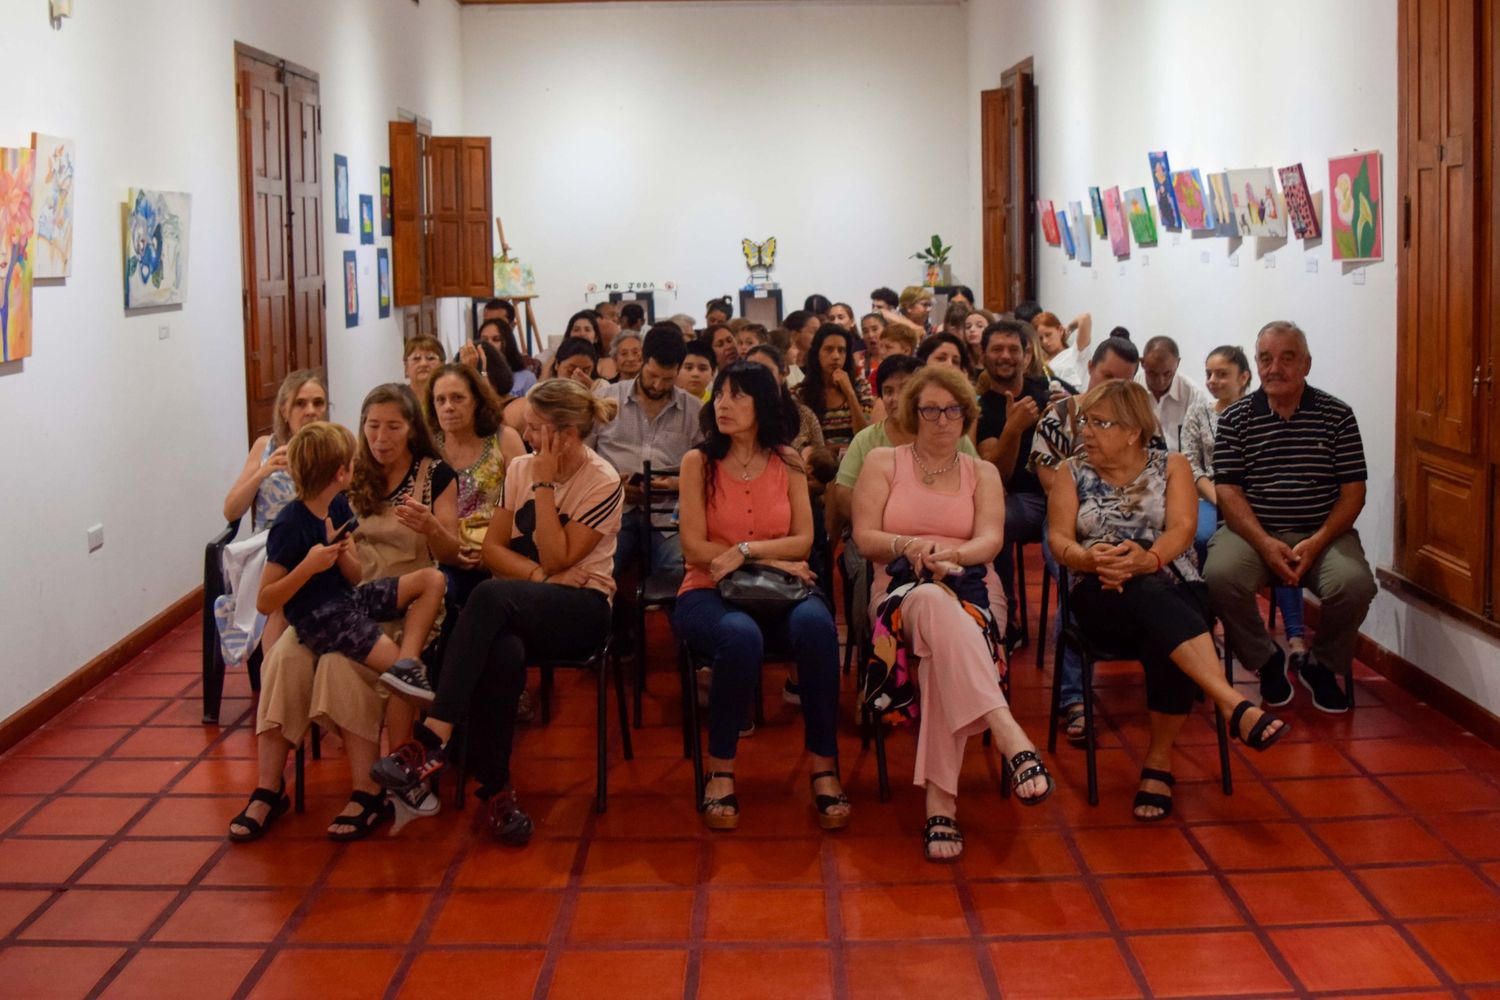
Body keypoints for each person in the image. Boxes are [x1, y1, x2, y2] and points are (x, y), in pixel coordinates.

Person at [370, 379, 626, 844]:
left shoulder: (602, 480)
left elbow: (557, 556)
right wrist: (540, 580)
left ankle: (432, 739)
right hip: (531, 600)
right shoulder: (520, 469)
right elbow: (491, 549)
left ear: (566, 435)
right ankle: (496, 790)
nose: (527, 438)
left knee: (486, 598)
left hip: (584, 609)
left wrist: (545, 487)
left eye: (536, 429)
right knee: (502, 650)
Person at [1048, 380, 1288, 820]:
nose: (1086, 432)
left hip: (1171, 577)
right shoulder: (1071, 471)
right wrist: (1086, 556)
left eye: (1099, 423)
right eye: (1085, 422)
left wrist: (1150, 558)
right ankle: (1229, 704)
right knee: (1156, 604)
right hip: (1100, 590)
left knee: (1161, 619)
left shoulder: (1172, 465)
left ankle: (1160, 760)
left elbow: (1182, 528)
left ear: (1132, 431)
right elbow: (1058, 538)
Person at [852, 365, 1052, 861]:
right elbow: (865, 538)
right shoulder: (883, 461)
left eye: (953, 410)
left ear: (966, 415)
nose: (942, 420)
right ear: (913, 413)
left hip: (974, 586)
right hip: (899, 586)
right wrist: (911, 544)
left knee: (943, 647)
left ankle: (941, 805)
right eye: (931, 410)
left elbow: (990, 540)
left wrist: (953, 557)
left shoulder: (980, 472)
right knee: (927, 600)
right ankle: (1009, 734)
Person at [229, 420, 447, 843]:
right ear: (342, 470)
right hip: (314, 617)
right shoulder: (290, 524)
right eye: (373, 426)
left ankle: (371, 782)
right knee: (284, 662)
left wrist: (342, 554)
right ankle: (268, 789)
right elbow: (266, 600)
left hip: (350, 603)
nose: (381, 437)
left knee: (344, 658)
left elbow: (356, 574)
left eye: (392, 426)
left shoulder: (345, 503)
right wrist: (311, 564)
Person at [672, 361, 848, 832]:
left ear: (764, 404)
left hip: (782, 590)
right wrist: (769, 559)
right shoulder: (699, 463)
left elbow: (804, 542)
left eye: (738, 395)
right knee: (739, 635)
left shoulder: (788, 460)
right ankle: (721, 769)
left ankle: (823, 766)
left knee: (816, 628)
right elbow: (694, 548)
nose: (723, 404)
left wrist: (749, 553)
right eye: (720, 394)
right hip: (707, 590)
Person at [1205, 321, 1374, 714]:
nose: (1275, 368)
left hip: (1323, 533)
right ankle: (1266, 662)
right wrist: (1265, 543)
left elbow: (1353, 494)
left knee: (1355, 585)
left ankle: (1322, 666)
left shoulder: (1338, 416)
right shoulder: (1235, 418)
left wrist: (1316, 543)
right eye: (1266, 359)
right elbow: (1228, 493)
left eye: (1288, 358)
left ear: (1307, 364)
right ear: (1256, 365)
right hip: (1252, 534)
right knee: (1220, 576)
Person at [1032, 337, 1157, 745]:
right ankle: (1075, 698)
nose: (1113, 391)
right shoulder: (1059, 416)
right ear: (1090, 369)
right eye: (1107, 378)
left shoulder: (1138, 421)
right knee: (1076, 582)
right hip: (1071, 525)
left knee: (1171, 576)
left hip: (1135, 531)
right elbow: (1054, 485)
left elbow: (1156, 486)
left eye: (1124, 383)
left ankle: (1173, 673)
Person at [217, 370, 329, 665]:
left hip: (318, 541)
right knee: (279, 584)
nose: (311, 411)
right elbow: (231, 510)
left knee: (291, 579)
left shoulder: (335, 447)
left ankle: (288, 683)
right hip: (270, 545)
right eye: (300, 404)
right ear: (284, 409)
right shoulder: (264, 447)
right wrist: (262, 472)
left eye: (318, 403)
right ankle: (275, 686)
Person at [592, 328, 702, 573]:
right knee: (598, 569)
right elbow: (581, 458)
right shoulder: (605, 399)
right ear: (643, 359)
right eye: (652, 375)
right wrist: (612, 485)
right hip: (612, 508)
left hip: (668, 513)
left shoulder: (693, 411)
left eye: (667, 379)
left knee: (680, 568)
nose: (657, 384)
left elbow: (707, 470)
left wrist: (677, 485)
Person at [976, 320, 1054, 645]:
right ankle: (1006, 618)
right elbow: (996, 473)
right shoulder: (978, 409)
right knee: (997, 519)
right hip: (1019, 500)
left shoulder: (1049, 395)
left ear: (1026, 355)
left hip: (1061, 496)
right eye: (997, 349)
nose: (1005, 356)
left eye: (1013, 349)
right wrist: (1013, 429)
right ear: (983, 355)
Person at [426, 362, 526, 610]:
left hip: (498, 553)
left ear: (477, 401)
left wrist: (492, 553)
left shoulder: (504, 439)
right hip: (442, 556)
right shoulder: (428, 448)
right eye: (440, 400)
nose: (448, 406)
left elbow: (525, 506)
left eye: (457, 398)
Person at [797, 324, 872, 453]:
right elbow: (800, 445)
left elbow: (865, 436)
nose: (836, 356)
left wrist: (850, 393)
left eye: (841, 350)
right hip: (817, 467)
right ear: (817, 353)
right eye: (829, 349)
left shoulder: (862, 387)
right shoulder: (799, 393)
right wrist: (833, 450)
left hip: (855, 462)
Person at [1138, 335, 1210, 451]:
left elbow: (1204, 442)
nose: (1160, 381)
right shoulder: (1132, 390)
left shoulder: (1193, 393)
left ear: (1178, 363)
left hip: (1183, 464)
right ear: (1142, 363)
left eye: (1167, 373)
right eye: (1152, 373)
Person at [1034, 311, 1092, 389]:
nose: (1045, 341)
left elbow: (1085, 317)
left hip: (1081, 399)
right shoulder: (1041, 364)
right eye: (1040, 338)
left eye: (1048, 335)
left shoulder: (1076, 352)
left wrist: (1068, 329)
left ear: (1060, 330)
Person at [403, 336, 445, 404]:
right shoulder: (397, 400)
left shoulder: (450, 399)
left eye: (431, 358)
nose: (423, 364)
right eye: (416, 358)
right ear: (406, 367)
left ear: (443, 365)